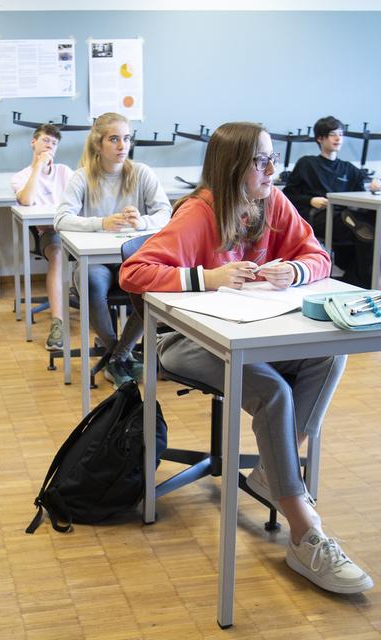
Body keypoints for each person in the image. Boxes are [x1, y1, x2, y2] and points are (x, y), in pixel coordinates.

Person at [120, 121, 373, 595]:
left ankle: (269, 473)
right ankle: (305, 532)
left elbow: (317, 254)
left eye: (272, 158)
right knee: (273, 392)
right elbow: (135, 271)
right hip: (185, 342)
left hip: (249, 331)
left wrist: (295, 270)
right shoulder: (200, 212)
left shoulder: (271, 201)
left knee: (328, 356)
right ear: (233, 166)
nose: (272, 169)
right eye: (261, 161)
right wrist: (207, 279)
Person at [55, 112, 172, 388]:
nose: (122, 146)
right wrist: (101, 223)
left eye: (127, 138)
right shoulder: (82, 177)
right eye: (114, 139)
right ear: (99, 144)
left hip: (131, 260)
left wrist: (142, 221)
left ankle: (117, 356)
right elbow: (60, 219)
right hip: (95, 263)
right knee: (92, 281)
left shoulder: (142, 173)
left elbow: (166, 213)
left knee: (151, 285)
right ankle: (118, 354)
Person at [283, 115, 381, 287]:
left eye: (341, 134)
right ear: (320, 138)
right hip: (320, 216)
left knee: (372, 225)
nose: (338, 138)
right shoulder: (307, 163)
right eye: (332, 134)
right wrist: (311, 200)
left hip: (347, 217)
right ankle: (362, 283)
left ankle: (357, 280)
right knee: (364, 229)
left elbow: (361, 192)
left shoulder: (349, 169)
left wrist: (374, 187)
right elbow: (288, 194)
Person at [11, 124, 74, 351]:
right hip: (49, 234)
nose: (49, 146)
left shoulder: (65, 172)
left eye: (54, 143)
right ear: (33, 142)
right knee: (57, 255)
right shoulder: (21, 176)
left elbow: (82, 199)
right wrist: (38, 167)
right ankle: (57, 324)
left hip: (73, 230)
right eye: (45, 141)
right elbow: (26, 200)